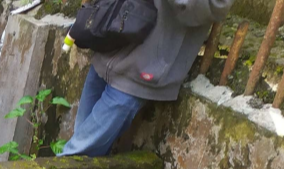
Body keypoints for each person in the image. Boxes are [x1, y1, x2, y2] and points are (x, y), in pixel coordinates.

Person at [60, 0, 233, 157]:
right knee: (81, 145)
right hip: (110, 43)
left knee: (76, 154)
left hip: (144, 66)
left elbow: (216, 6)